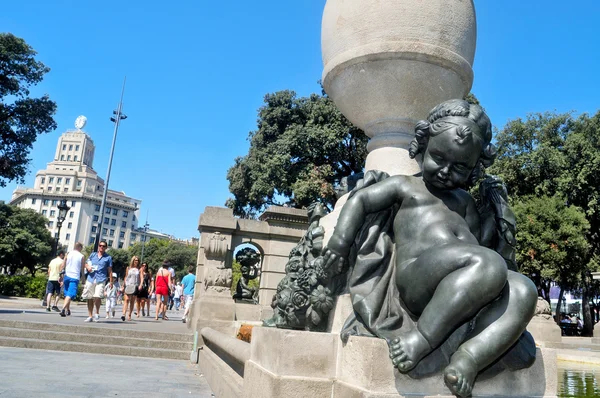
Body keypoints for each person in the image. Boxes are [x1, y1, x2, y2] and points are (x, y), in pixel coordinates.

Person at [323, 99, 537, 398]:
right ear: (422, 146)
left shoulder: (467, 204)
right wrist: (339, 240)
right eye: (438, 157)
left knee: (524, 289)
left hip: (465, 281)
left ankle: (469, 358)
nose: (446, 170)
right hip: (419, 280)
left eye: (460, 166)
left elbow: (479, 246)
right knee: (488, 264)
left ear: (475, 167)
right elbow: (361, 201)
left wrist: (495, 220)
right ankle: (420, 340)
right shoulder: (406, 186)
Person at [83, 240, 114, 322]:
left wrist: (111, 282)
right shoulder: (93, 255)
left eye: (103, 246)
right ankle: (90, 316)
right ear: (98, 246)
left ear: (106, 248)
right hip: (91, 278)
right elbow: (86, 263)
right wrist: (88, 267)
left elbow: (110, 270)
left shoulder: (108, 258)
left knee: (97, 296)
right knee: (89, 297)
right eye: (100, 245)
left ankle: (97, 312)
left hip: (101, 278)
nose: (101, 247)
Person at [59, 242, 84, 317]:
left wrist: (60, 275)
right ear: (80, 248)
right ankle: (63, 309)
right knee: (70, 294)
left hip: (67, 275)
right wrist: (83, 278)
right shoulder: (81, 256)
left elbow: (63, 264)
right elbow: (82, 269)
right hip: (75, 277)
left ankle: (68, 310)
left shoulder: (68, 254)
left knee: (67, 294)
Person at [121, 256, 140, 321]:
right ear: (132, 261)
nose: (136, 261)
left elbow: (140, 278)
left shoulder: (139, 269)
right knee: (126, 299)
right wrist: (123, 285)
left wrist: (140, 285)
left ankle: (129, 315)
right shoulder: (128, 268)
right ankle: (123, 314)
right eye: (135, 260)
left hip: (135, 286)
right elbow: (126, 277)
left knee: (132, 301)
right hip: (128, 285)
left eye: (137, 260)